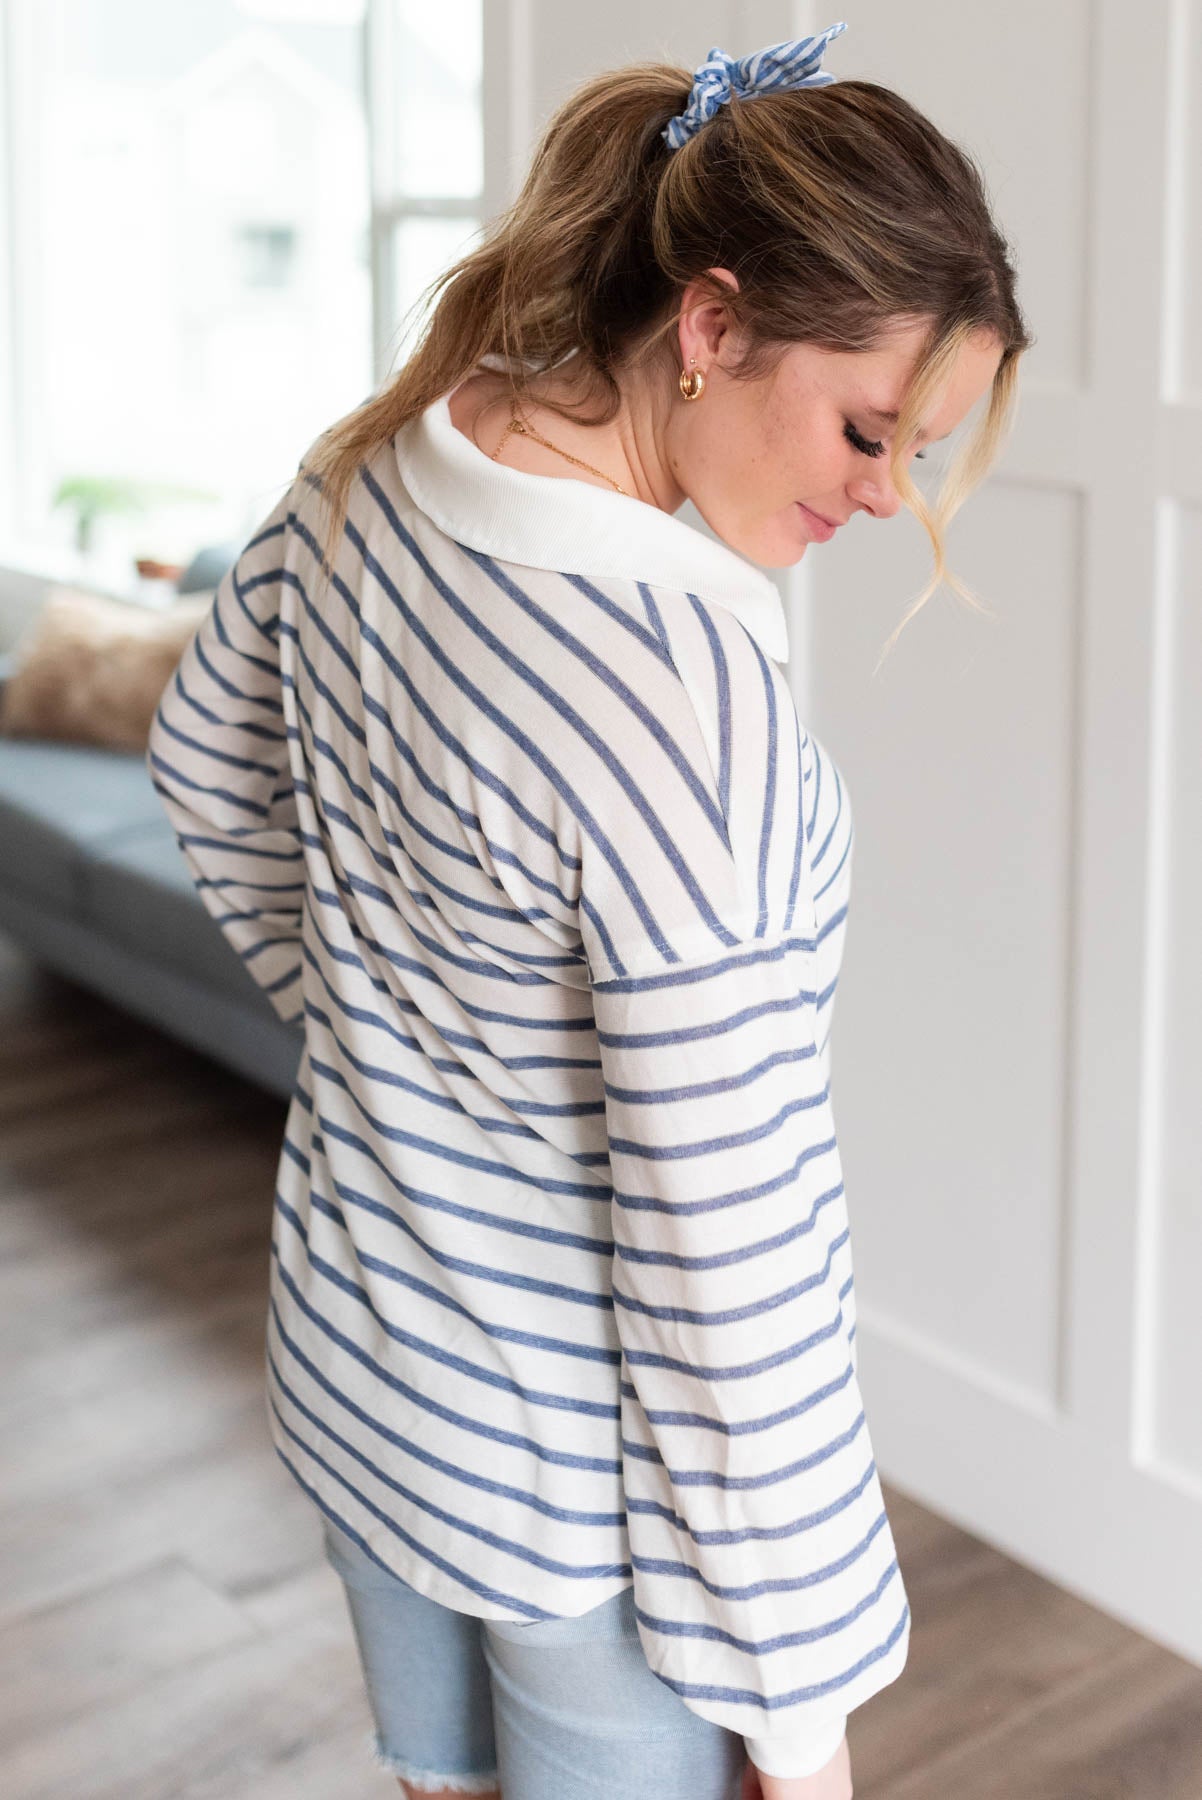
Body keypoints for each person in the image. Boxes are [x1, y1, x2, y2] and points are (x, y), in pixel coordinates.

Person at [146, 22, 1031, 1800]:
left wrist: (399, 1063)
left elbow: (199, 763)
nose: (883, 494)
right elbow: (730, 1244)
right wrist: (798, 1711)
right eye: (867, 428)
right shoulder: (676, 686)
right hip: (586, 1519)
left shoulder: (376, 461)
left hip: (368, 1374)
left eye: (916, 454)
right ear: (709, 326)